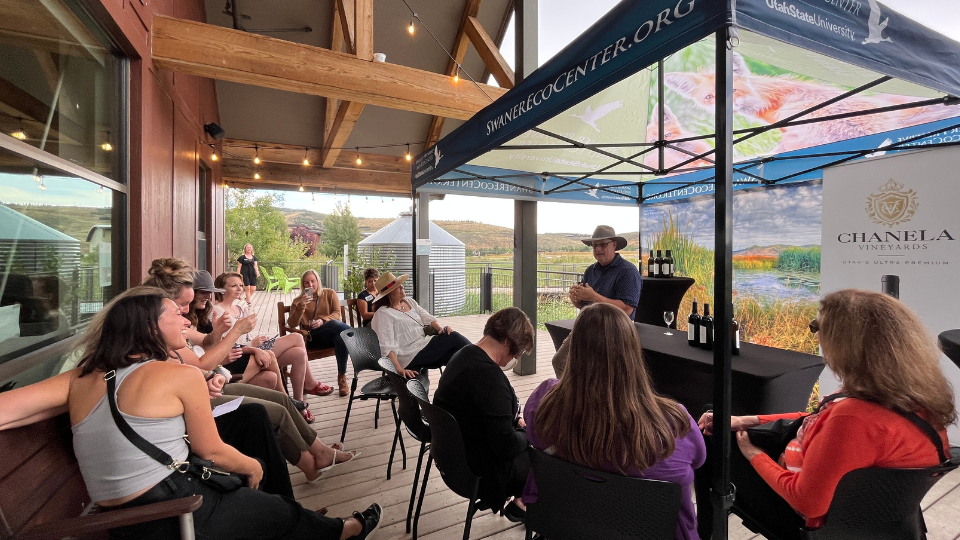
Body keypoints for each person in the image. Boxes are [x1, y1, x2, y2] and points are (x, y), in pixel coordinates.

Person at [0, 287, 382, 540]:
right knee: (273, 503)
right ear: (150, 326)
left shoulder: (82, 375)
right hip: (174, 511)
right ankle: (345, 530)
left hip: (118, 518)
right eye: (174, 314)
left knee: (259, 460)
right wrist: (253, 467)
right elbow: (213, 451)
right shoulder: (177, 374)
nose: (186, 320)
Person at [695, 289, 956, 540]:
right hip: (875, 517)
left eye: (817, 327)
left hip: (817, 525)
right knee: (717, 418)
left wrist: (754, 454)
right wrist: (745, 420)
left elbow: (808, 503)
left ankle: (699, 534)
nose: (816, 336)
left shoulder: (853, 417)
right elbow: (815, 418)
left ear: (845, 342)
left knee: (711, 440)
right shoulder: (908, 393)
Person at [146, 261, 357, 479]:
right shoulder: (160, 329)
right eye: (182, 304)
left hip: (212, 379)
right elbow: (202, 363)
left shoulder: (183, 321)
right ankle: (312, 446)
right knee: (272, 404)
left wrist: (222, 335)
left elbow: (206, 346)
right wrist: (237, 334)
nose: (187, 309)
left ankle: (314, 454)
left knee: (280, 378)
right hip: (205, 391)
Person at [524, 303, 706, 540]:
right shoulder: (673, 424)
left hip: (567, 529)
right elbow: (699, 459)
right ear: (633, 352)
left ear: (574, 348)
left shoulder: (544, 401)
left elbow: (531, 433)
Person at [433, 307, 535, 520]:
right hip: (478, 471)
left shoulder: (464, 354)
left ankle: (522, 502)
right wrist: (529, 435)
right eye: (517, 351)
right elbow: (505, 445)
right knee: (547, 463)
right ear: (507, 341)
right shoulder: (489, 376)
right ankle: (530, 508)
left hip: (450, 458)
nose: (515, 357)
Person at [214, 272, 334, 402]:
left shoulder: (239, 308)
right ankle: (309, 384)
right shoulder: (217, 312)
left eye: (241, 285)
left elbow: (245, 336)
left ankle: (298, 401)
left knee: (298, 352)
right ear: (221, 290)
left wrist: (257, 338)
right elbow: (226, 344)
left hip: (253, 347)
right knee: (297, 338)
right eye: (234, 286)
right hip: (244, 354)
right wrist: (252, 344)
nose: (239, 289)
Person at [551, 225, 642, 378]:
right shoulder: (590, 270)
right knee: (560, 362)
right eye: (594, 245)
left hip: (614, 332)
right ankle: (573, 398)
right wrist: (577, 300)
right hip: (586, 326)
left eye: (602, 244)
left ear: (614, 245)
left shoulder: (628, 272)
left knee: (595, 375)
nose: (598, 249)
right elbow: (584, 304)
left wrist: (593, 297)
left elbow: (627, 310)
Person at [370, 272, 470, 378]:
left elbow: (426, 317)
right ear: (389, 293)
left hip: (424, 344)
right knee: (454, 337)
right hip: (409, 354)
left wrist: (440, 329)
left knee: (456, 357)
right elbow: (386, 345)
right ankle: (485, 358)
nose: (402, 287)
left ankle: (459, 386)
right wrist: (399, 369)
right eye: (397, 287)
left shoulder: (409, 302)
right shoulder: (383, 313)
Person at [288, 269, 352, 397]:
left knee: (341, 338)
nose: (310, 285)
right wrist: (301, 306)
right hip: (311, 337)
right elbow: (292, 324)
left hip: (329, 334)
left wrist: (323, 320)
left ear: (317, 281)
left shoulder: (329, 293)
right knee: (338, 328)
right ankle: (353, 334)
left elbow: (336, 313)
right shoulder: (298, 301)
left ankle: (342, 378)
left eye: (313, 281)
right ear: (303, 285)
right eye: (306, 283)